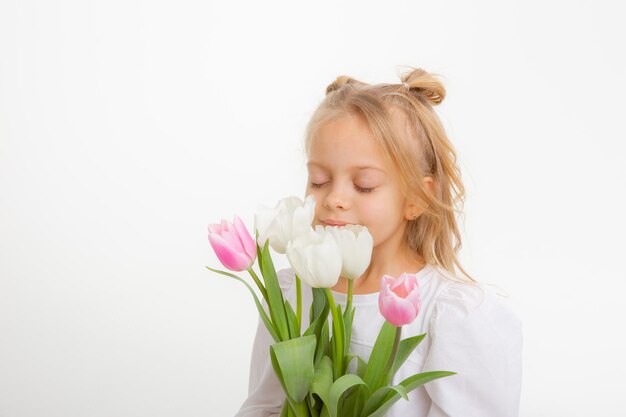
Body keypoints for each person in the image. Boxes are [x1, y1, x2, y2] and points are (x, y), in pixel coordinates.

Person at [235, 67, 523, 417]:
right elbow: (263, 408)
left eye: (365, 185)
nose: (334, 199)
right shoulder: (291, 297)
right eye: (319, 180)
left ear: (417, 197)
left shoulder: (454, 315)